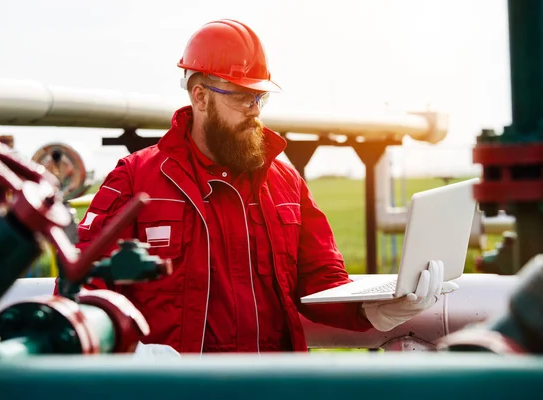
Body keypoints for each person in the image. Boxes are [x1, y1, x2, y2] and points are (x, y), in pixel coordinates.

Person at [61, 19, 455, 353]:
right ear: (199, 96)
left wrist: (373, 309)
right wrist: (135, 358)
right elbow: (83, 286)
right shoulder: (135, 179)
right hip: (176, 391)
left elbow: (322, 282)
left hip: (274, 389)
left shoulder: (285, 183)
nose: (254, 109)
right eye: (242, 96)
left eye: (259, 97)